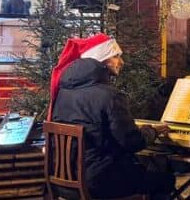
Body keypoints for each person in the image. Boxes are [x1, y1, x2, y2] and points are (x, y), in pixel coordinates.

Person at [50, 33, 174, 199]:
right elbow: (132, 142)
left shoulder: (64, 91)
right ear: (102, 59)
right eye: (116, 56)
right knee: (165, 180)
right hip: (101, 180)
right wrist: (152, 131)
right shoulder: (110, 95)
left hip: (65, 177)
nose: (121, 62)